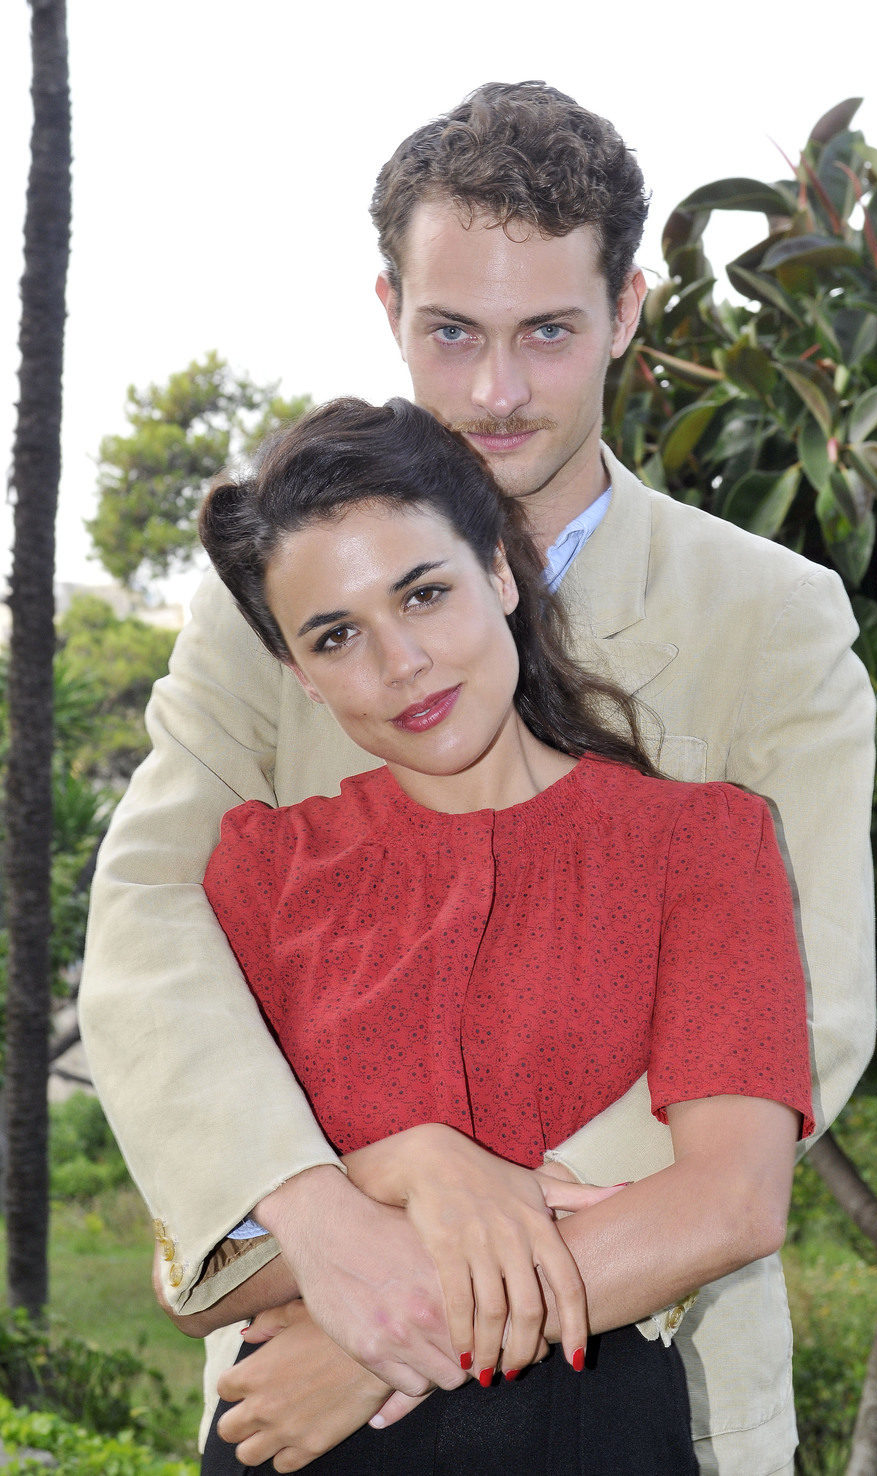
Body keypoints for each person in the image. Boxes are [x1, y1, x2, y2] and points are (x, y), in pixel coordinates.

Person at [78, 81, 876, 1475]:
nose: (495, 392)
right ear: (389, 304)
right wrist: (329, 1226)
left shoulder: (775, 617)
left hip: (631, 1372)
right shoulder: (261, 602)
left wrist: (420, 1314)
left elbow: (805, 1020)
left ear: (626, 310)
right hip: (295, 1365)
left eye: (548, 334)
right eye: (452, 332)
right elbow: (150, 927)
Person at [188, 393, 812, 1473]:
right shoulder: (262, 871)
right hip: (292, 1445)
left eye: (423, 593)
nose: (402, 664)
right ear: (298, 672)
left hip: (572, 1428)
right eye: (335, 636)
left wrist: (391, 1344)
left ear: (501, 572)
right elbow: (196, 1267)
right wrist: (409, 1166)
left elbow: (731, 1203)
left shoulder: (702, 842)